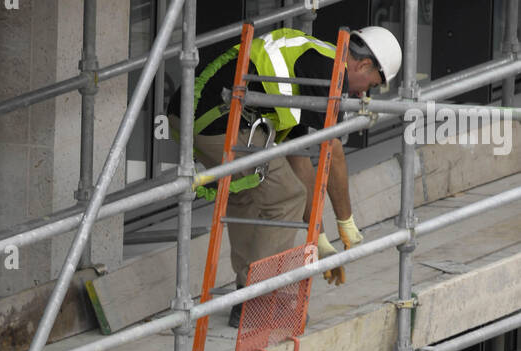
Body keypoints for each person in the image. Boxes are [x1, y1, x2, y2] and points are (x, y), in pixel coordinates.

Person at [169, 25, 403, 323]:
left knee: (249, 194)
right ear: (364, 64)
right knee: (285, 196)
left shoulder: (314, 58)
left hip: (192, 115)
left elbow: (299, 156)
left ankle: (245, 298)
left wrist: (318, 238)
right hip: (215, 119)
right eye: (371, 84)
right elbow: (332, 151)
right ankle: (257, 301)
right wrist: (346, 222)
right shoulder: (332, 71)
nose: (363, 93)